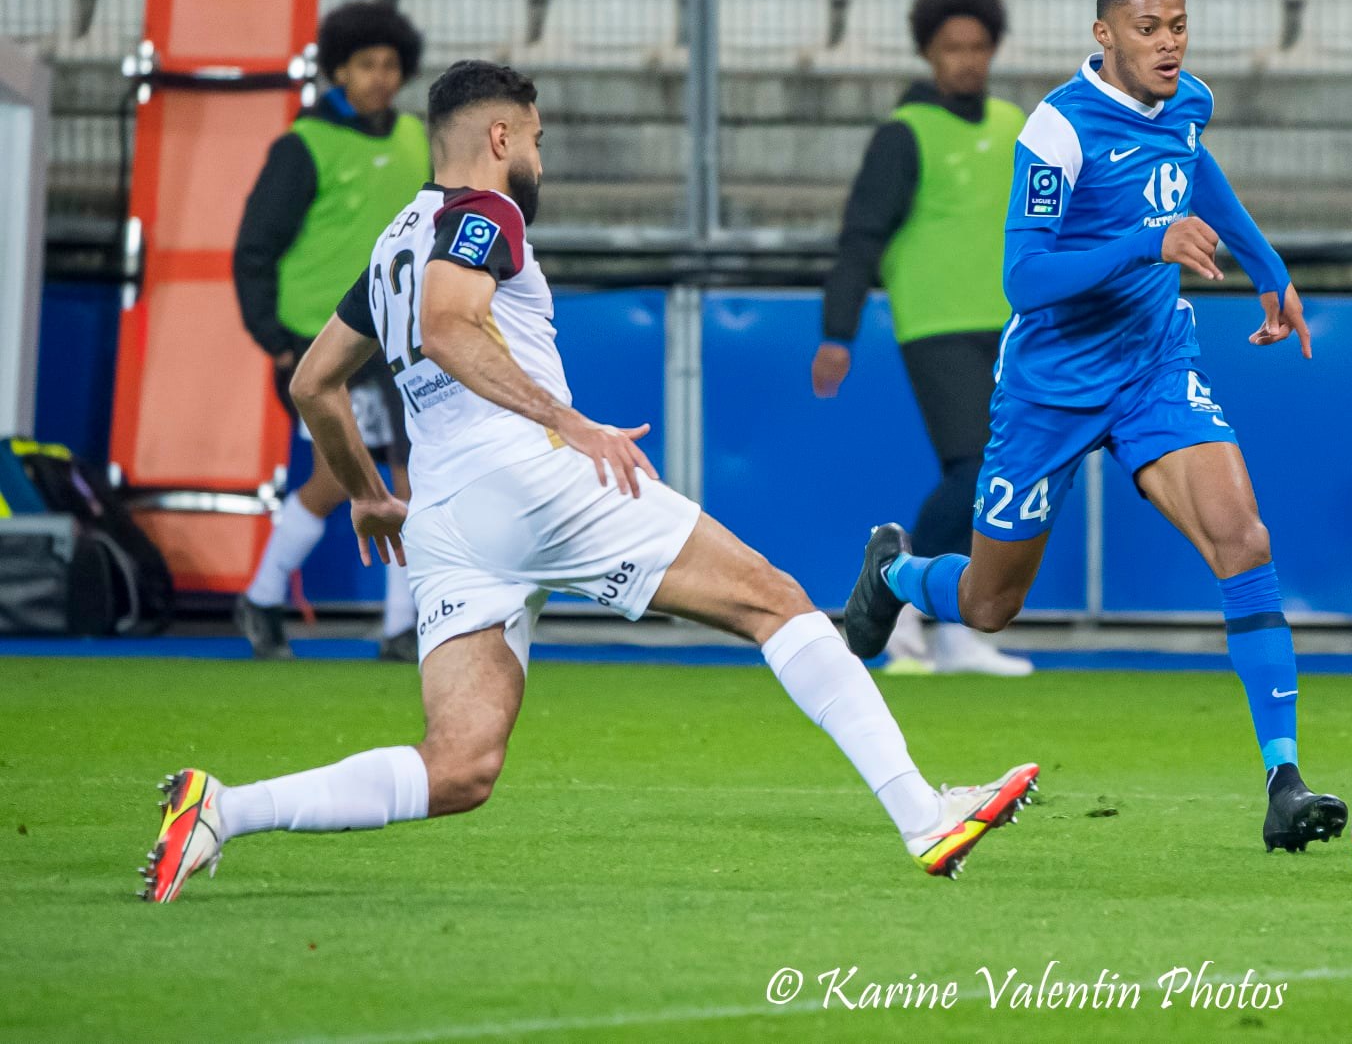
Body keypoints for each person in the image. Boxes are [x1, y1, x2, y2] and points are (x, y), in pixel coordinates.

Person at [140, 62, 1037, 904]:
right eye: (534, 138)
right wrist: (566, 422)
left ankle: (223, 807)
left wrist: (370, 491)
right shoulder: (483, 214)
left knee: (461, 766)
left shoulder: (393, 243)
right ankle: (925, 811)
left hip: (451, 521)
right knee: (777, 602)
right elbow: (451, 327)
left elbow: (313, 382)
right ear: (498, 137)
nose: (540, 157)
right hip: (532, 477)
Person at [839, 0, 1349, 853]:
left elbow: (1199, 170)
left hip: (1154, 363)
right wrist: (1147, 239)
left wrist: (1268, 265)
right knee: (992, 603)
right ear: (1104, 35)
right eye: (1148, 29)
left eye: (1178, 26)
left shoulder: (1187, 100)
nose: (1167, 44)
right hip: (1052, 386)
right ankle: (893, 574)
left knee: (1245, 538)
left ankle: (1283, 777)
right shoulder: (1058, 131)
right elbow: (1026, 279)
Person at [812, 0, 1032, 678]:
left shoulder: (1016, 124)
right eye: (950, 48)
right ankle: (905, 598)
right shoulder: (903, 134)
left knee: (998, 476)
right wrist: (837, 331)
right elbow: (861, 236)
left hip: (1014, 323)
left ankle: (952, 625)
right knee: (973, 466)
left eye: (977, 47)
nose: (966, 60)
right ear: (929, 54)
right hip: (935, 325)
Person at [231, 0, 431, 662]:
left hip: (398, 339)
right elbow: (254, 248)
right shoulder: (303, 145)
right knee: (340, 478)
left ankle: (400, 625)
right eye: (365, 64)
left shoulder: (415, 139)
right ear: (338, 68)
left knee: (407, 473)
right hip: (322, 341)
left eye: (390, 65)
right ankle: (262, 599)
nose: (379, 76)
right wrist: (277, 339)